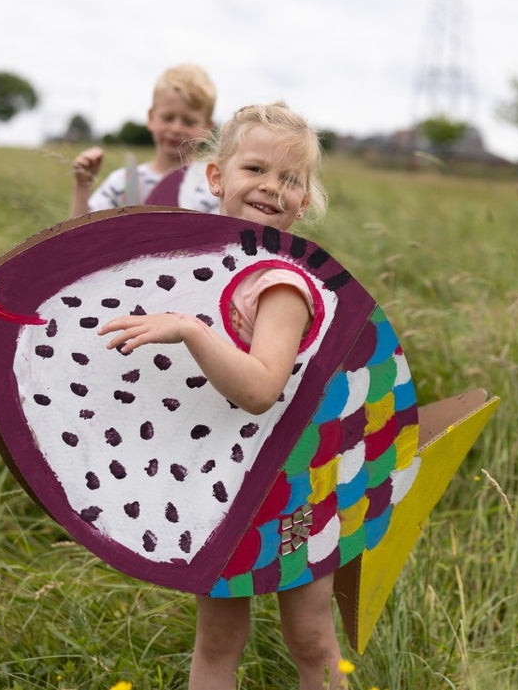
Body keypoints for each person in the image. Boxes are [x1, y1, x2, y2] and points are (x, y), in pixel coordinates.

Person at [97, 102, 343, 690]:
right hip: (222, 482)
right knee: (216, 639)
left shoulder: (282, 284)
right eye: (255, 169)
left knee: (310, 637)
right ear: (216, 177)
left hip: (295, 484)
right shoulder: (205, 268)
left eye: (290, 179)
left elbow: (259, 390)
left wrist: (190, 330)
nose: (272, 187)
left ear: (304, 201)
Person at [69, 62, 220, 218]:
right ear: (151, 118)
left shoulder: (213, 187)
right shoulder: (122, 183)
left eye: (189, 122)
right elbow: (83, 232)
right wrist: (82, 186)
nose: (176, 129)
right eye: (168, 118)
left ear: (208, 128)